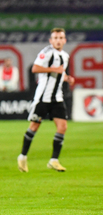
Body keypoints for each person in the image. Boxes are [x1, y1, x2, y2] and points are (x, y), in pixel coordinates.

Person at [17, 27, 75, 173]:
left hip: (57, 98)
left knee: (62, 127)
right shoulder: (46, 53)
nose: (58, 40)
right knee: (34, 127)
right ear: (51, 40)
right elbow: (35, 69)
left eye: (61, 38)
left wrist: (66, 78)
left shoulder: (65, 56)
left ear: (65, 40)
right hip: (43, 98)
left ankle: (53, 160)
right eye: (55, 38)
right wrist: (53, 70)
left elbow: (59, 74)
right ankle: (22, 156)